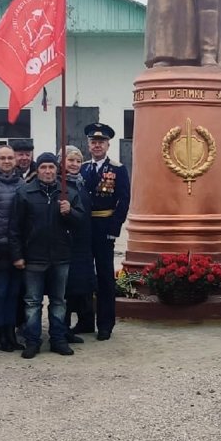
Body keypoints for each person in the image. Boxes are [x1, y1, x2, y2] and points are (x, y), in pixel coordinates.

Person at [10, 153, 84, 358]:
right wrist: (17, 255)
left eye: (52, 167)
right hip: (34, 257)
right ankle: (32, 341)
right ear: (38, 170)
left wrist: (70, 212)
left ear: (57, 169)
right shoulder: (25, 193)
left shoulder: (68, 192)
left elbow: (81, 222)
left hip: (61, 256)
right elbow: (15, 228)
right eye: (44, 167)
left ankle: (58, 339)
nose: (48, 171)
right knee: (33, 302)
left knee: (59, 301)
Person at [79, 122, 130, 340]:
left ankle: (106, 324)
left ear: (108, 145)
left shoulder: (117, 169)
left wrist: (114, 228)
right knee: (83, 276)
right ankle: (85, 320)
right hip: (83, 227)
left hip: (104, 226)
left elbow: (124, 199)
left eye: (101, 142)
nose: (97, 145)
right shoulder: (81, 168)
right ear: (88, 145)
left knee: (105, 277)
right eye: (93, 142)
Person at [0, 144, 26, 352]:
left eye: (10, 157)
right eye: (2, 158)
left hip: (17, 247)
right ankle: (0, 333)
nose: (7, 161)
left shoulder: (21, 182)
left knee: (14, 293)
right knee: (0, 292)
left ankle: (11, 332)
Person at [61, 146, 94, 344]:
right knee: (64, 289)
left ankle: (82, 322)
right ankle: (62, 328)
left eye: (78, 161)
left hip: (83, 242)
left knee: (79, 286)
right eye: (70, 160)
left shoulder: (81, 183)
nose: (74, 165)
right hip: (67, 242)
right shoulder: (61, 185)